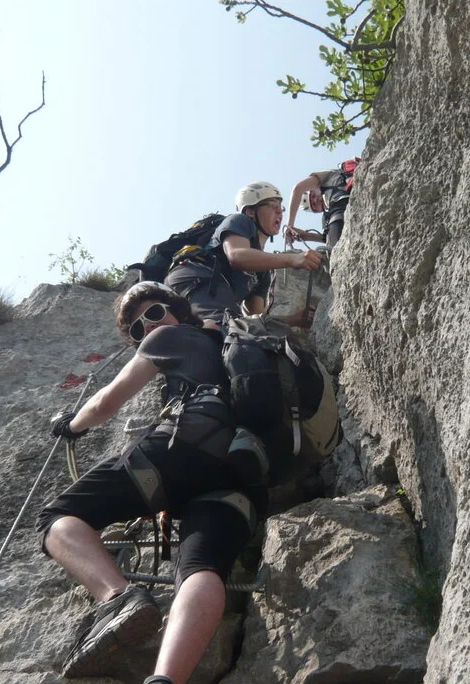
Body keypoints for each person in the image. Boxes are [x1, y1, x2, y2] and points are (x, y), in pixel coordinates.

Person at [37, 281, 269, 683]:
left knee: (57, 516)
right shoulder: (231, 345)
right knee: (202, 568)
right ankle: (166, 679)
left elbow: (105, 402)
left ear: (177, 311)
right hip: (243, 470)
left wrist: (70, 426)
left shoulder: (170, 337)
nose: (149, 325)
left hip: (184, 448)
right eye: (138, 327)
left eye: (155, 312)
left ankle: (118, 598)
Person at [165, 181, 323, 325]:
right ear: (250, 211)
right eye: (271, 205)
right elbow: (237, 256)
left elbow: (255, 320)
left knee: (243, 334)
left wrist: (293, 320)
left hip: (209, 293)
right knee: (226, 333)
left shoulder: (262, 272)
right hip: (196, 277)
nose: (279, 212)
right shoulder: (240, 221)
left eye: (280, 208)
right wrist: (293, 259)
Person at [285, 162, 356, 249]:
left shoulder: (327, 178)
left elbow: (298, 188)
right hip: (344, 217)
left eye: (313, 195)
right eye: (314, 204)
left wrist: (290, 225)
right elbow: (327, 238)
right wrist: (305, 235)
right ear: (317, 211)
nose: (315, 200)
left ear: (314, 187)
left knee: (332, 250)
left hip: (343, 205)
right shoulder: (327, 218)